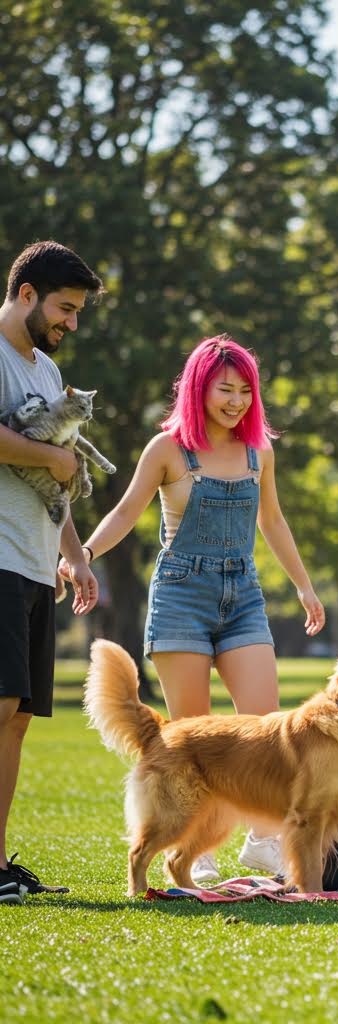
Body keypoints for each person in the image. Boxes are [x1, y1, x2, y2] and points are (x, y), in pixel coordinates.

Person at [63, 335, 325, 881]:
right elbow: (127, 510)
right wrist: (83, 552)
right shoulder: (167, 450)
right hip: (182, 594)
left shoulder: (260, 452)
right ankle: (194, 851)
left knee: (262, 726)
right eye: (225, 389)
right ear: (198, 388)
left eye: (246, 391)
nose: (236, 401)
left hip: (243, 594)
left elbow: (272, 522)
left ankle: (263, 841)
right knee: (193, 734)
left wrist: (303, 586)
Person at [0, 241, 103, 903]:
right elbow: (49, 457)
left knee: (17, 717)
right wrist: (52, 457)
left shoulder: (41, 373)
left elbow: (51, 471)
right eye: (65, 309)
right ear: (28, 293)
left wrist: (75, 549)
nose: (71, 323)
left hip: (34, 561)